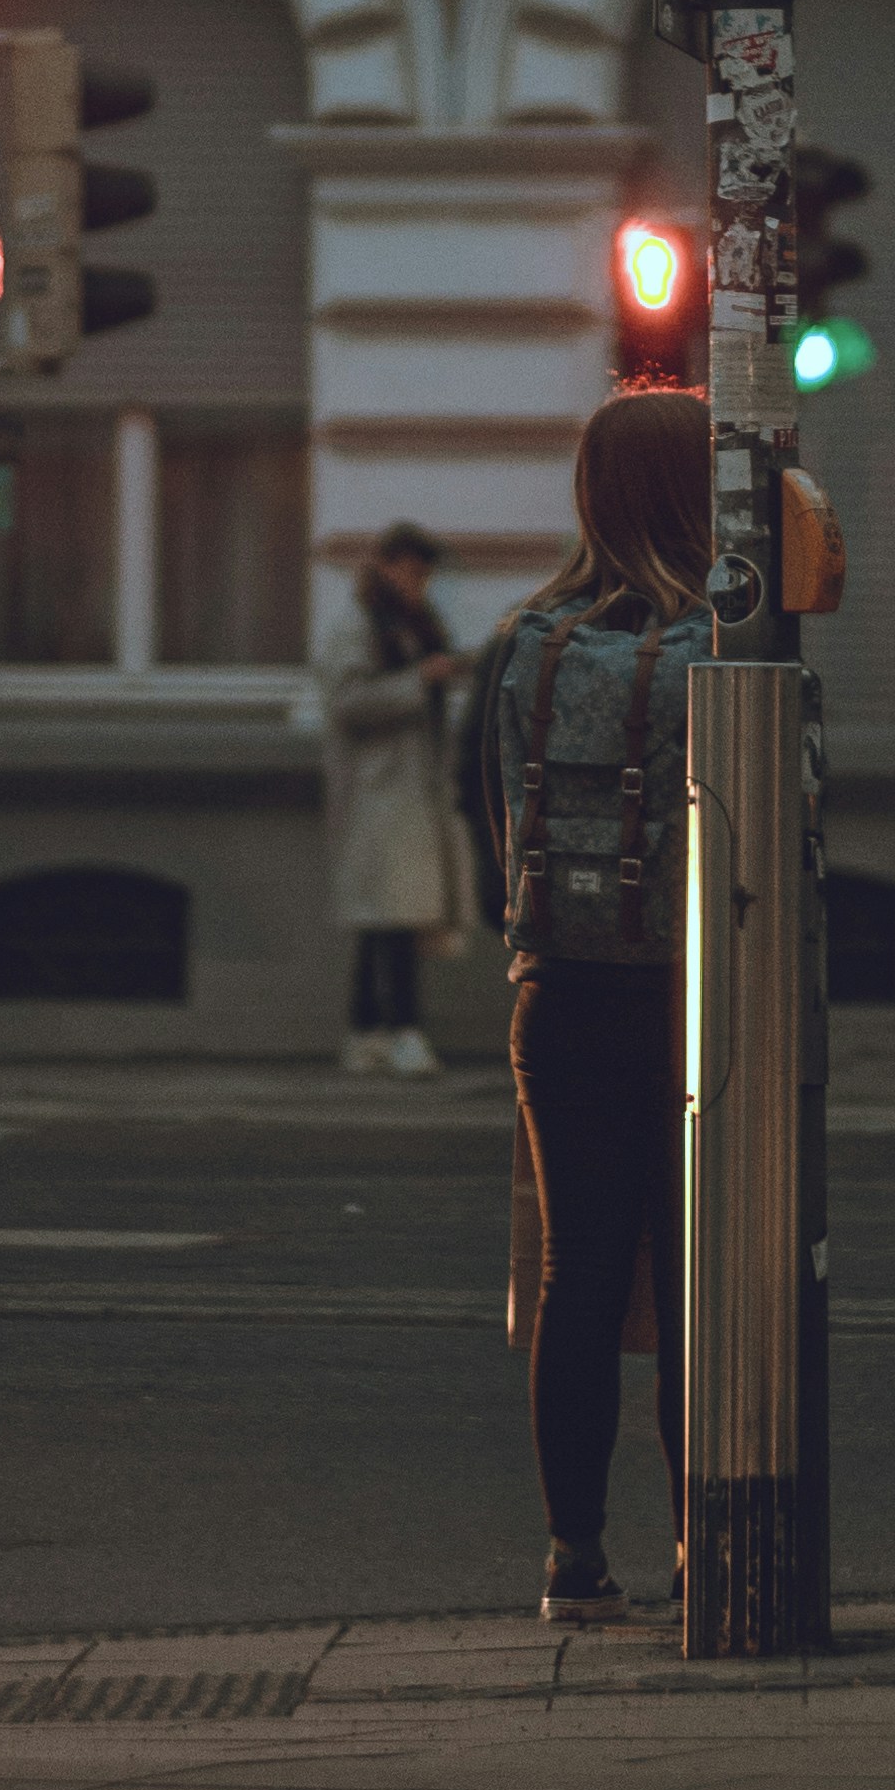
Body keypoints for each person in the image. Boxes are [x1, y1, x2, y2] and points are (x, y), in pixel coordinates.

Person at [482, 395, 714, 1626]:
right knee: (690, 1281)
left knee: (577, 1271)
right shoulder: (726, 644)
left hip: (560, 991)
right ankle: (698, 1546)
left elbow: (493, 820)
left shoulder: (525, 643)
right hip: (691, 1002)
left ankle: (572, 1559)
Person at [312, 519, 471, 1077]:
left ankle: (369, 1031)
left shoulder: (412, 622)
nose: (417, 583)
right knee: (392, 916)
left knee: (391, 918)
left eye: (424, 575)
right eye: (410, 572)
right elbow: (347, 702)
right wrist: (421, 680)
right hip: (378, 793)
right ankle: (399, 1031)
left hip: (412, 792)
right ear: (385, 567)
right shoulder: (357, 625)